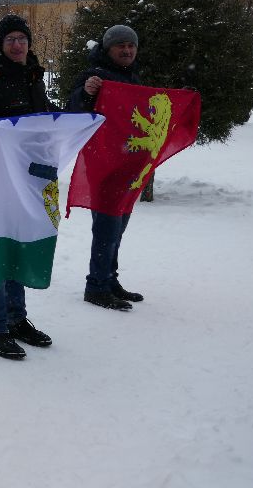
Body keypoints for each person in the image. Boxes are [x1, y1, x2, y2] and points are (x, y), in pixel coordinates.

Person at [0, 14, 59, 360]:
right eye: (10, 40)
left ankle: (17, 319)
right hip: (3, 183)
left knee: (22, 244)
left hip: (34, 180)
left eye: (22, 39)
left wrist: (80, 115)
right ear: (1, 47)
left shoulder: (35, 78)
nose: (17, 45)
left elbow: (43, 119)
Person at [67, 24, 144, 311]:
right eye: (120, 45)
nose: (127, 50)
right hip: (104, 164)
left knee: (119, 226)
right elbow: (73, 109)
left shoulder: (133, 78)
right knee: (107, 227)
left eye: (131, 46)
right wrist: (86, 93)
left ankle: (109, 279)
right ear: (108, 49)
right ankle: (96, 285)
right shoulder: (95, 76)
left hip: (128, 165)